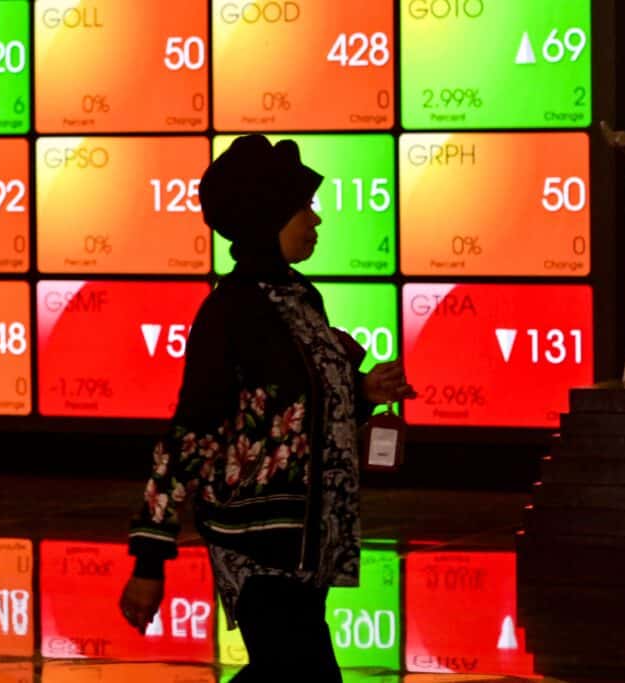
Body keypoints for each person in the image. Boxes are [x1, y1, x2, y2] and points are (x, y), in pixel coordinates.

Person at [118, 134, 415, 681]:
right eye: (303, 208)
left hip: (308, 540)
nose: (317, 219)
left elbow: (295, 406)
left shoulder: (301, 296)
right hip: (257, 543)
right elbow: (191, 434)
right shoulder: (230, 311)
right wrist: (149, 559)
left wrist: (363, 391)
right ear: (266, 216)